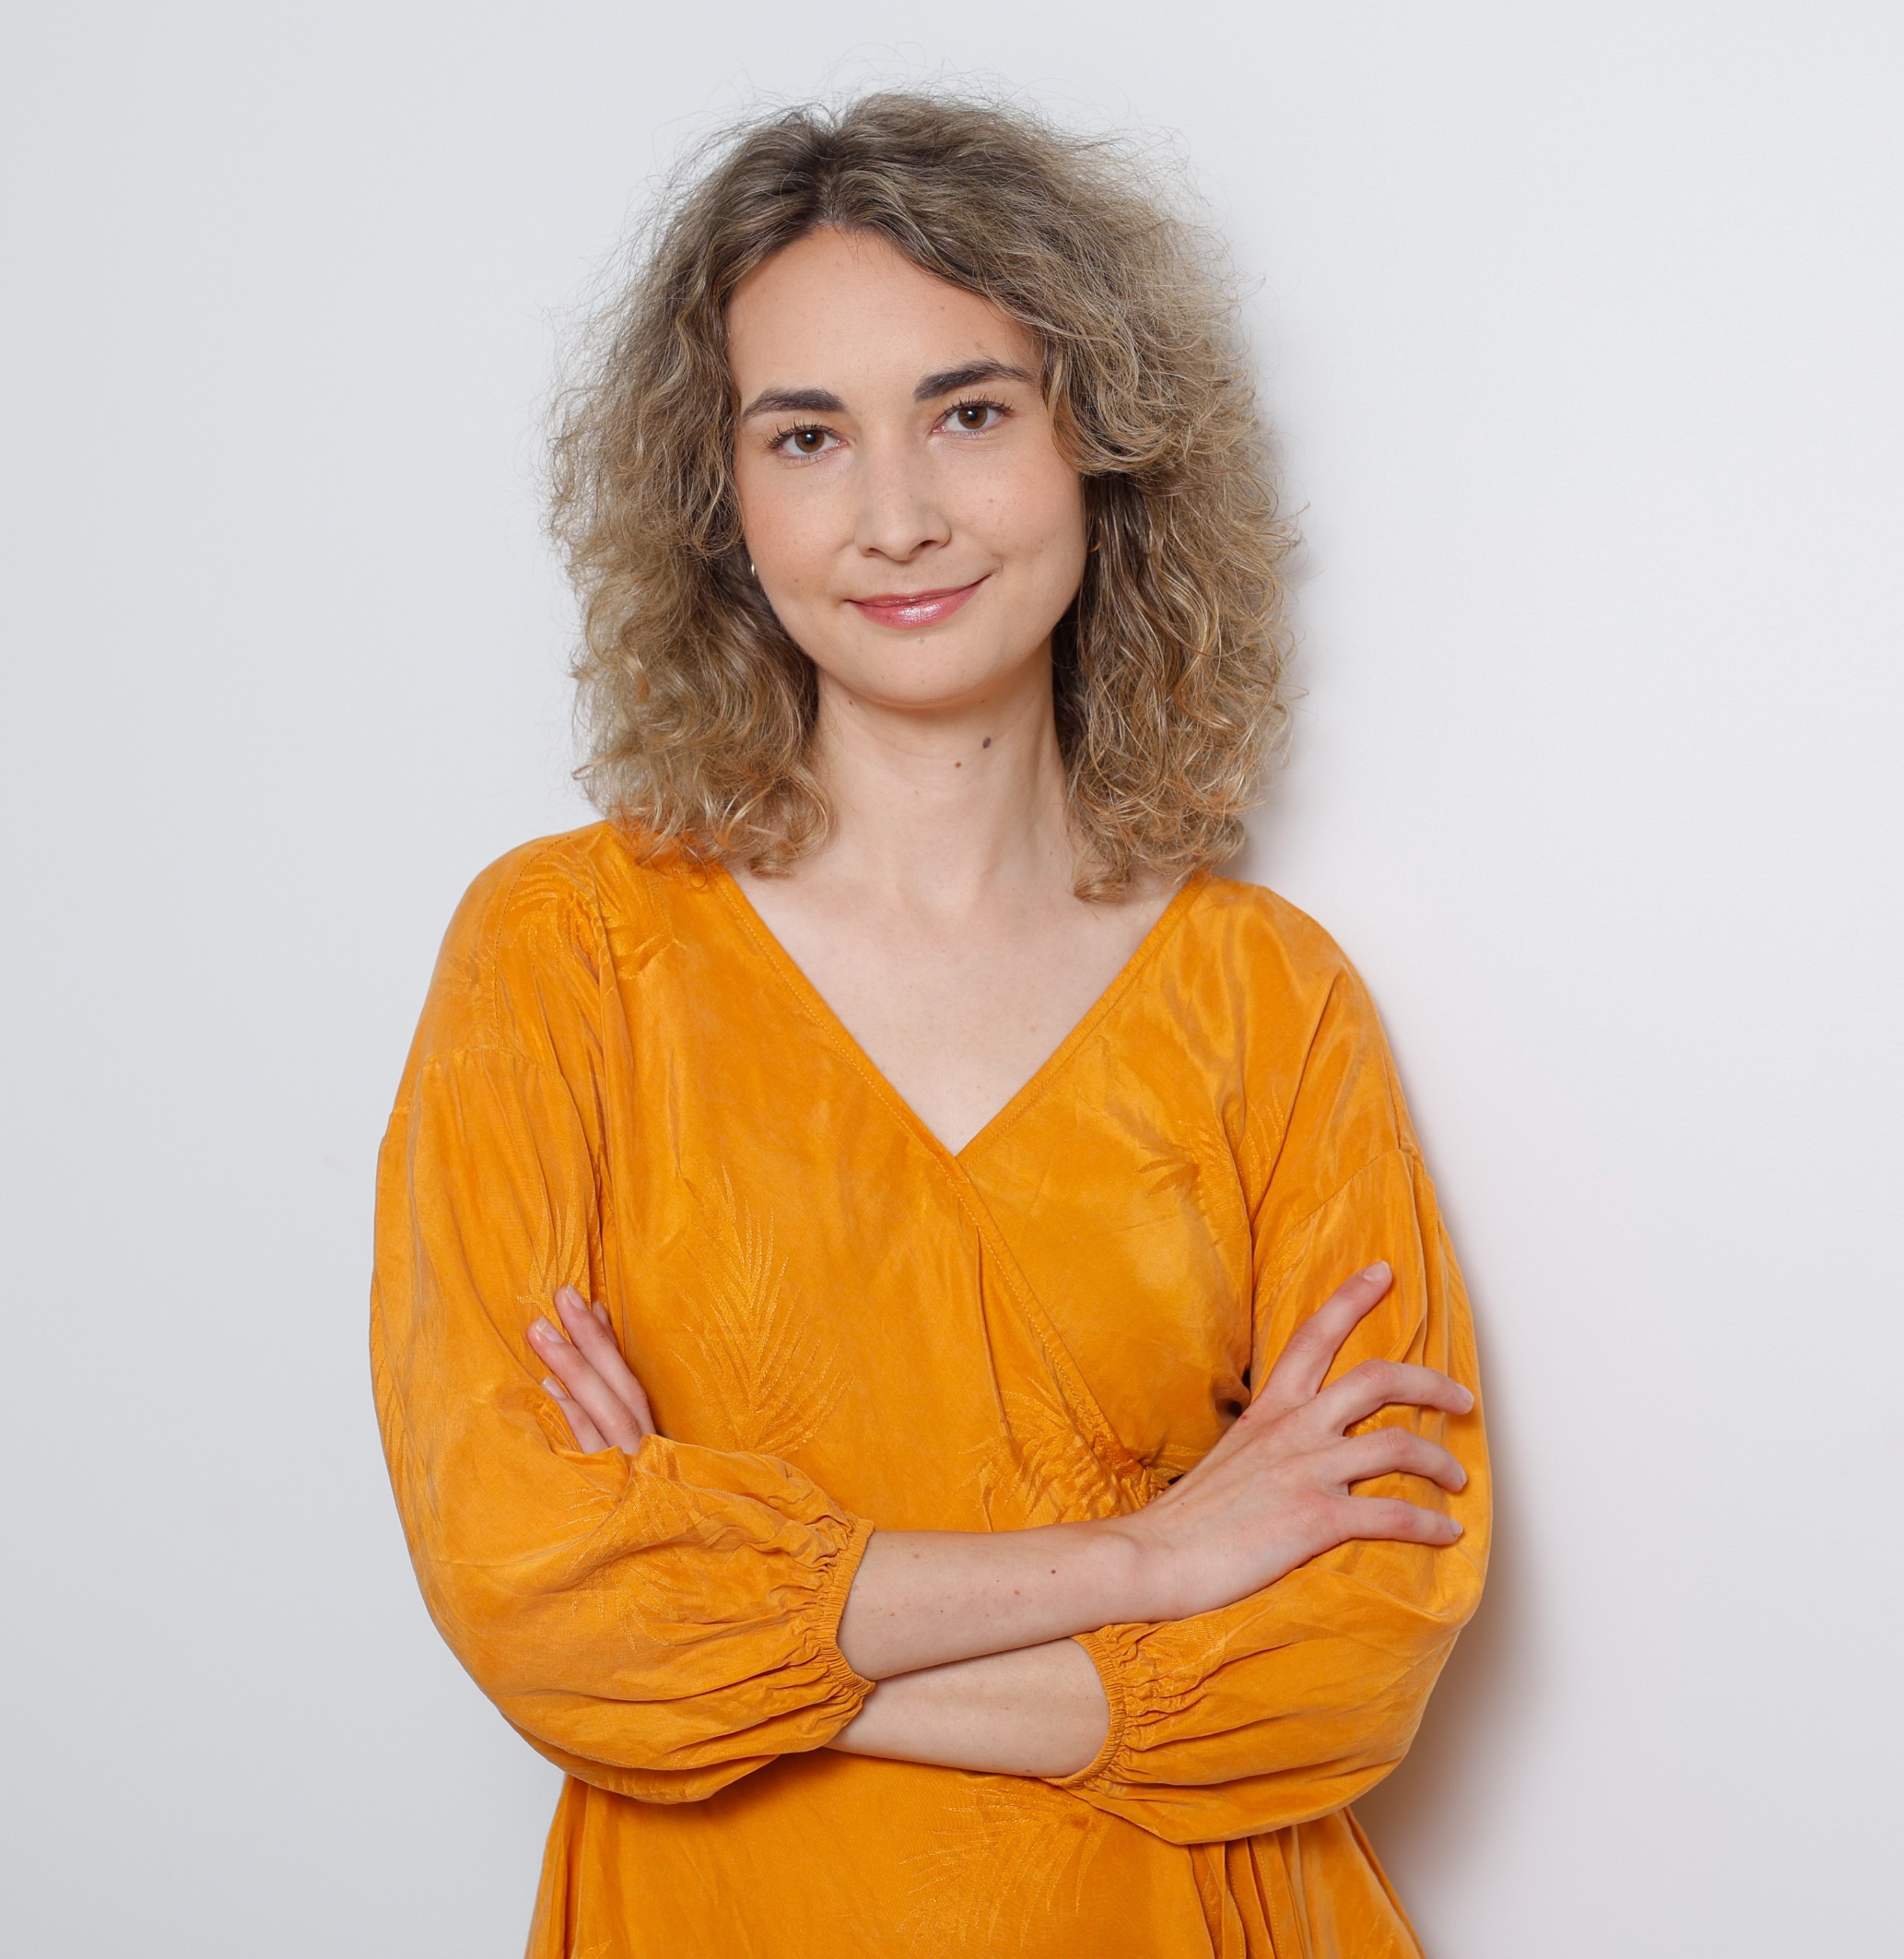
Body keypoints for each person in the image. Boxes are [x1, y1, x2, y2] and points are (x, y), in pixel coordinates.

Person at [371, 91, 1488, 1958]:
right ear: (722, 502)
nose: (896, 515)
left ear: (1097, 448)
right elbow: (538, 1594)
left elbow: (1357, 1649)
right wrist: (1157, 1554)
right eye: (806, 435)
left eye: (969, 411)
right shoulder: (562, 955)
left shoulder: (1264, 999)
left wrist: (747, 1626)